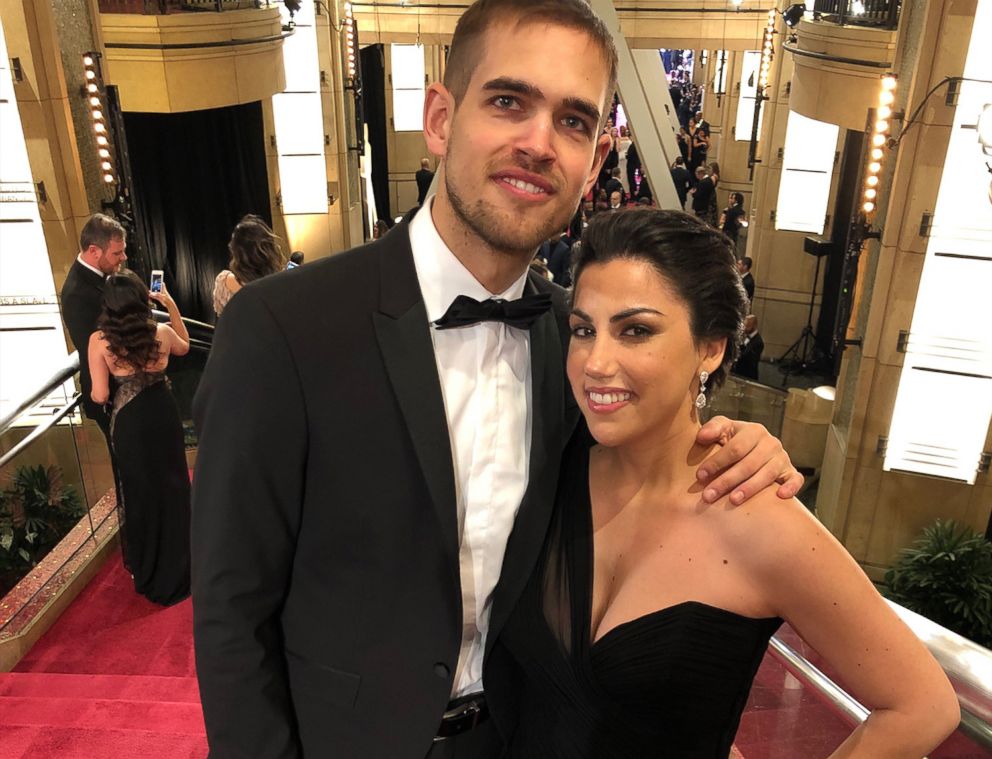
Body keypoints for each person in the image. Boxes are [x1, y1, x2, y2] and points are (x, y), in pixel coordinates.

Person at [191, 1, 802, 756]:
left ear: (597, 163)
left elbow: (648, 486)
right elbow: (229, 609)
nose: (539, 143)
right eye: (509, 101)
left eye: (574, 122)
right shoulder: (281, 327)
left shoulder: (580, 349)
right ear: (441, 119)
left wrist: (743, 447)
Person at [494, 209, 960, 758]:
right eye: (583, 330)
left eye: (636, 330)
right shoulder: (551, 469)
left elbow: (923, 705)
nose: (596, 361)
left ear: (710, 349)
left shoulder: (760, 520)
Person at [88, 270, 192, 606]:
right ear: (141, 299)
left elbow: (100, 395)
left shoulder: (100, 341)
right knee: (174, 488)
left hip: (131, 423)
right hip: (163, 414)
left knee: (142, 493)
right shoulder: (160, 332)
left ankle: (150, 572)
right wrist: (171, 304)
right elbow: (185, 346)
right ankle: (183, 568)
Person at [60, 214, 129, 508]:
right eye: (117, 253)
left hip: (128, 383)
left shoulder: (104, 276)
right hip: (110, 392)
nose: (123, 258)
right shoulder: (77, 293)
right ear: (93, 251)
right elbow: (100, 346)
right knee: (128, 465)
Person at [212, 214, 284, 317]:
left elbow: (220, 316)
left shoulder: (223, 282)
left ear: (235, 250)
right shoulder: (278, 285)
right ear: (269, 249)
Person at [733, 314, 764, 381]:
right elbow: (743, 347)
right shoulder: (748, 336)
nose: (744, 329)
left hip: (747, 375)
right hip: (740, 371)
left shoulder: (758, 342)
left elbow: (748, 361)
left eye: (747, 326)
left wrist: (735, 355)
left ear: (754, 326)